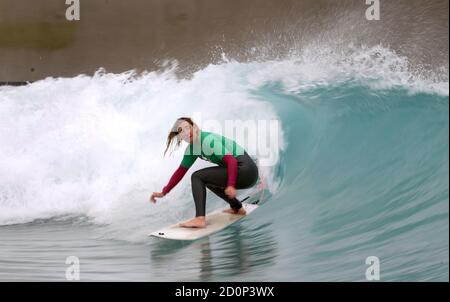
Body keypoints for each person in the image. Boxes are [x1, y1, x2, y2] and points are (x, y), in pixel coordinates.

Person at [150, 117, 259, 228]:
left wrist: (230, 185)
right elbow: (180, 172)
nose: (186, 133)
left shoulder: (207, 140)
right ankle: (237, 208)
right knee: (206, 180)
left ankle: (200, 219)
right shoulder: (192, 149)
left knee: (197, 177)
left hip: (245, 170)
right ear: (180, 137)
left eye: (188, 127)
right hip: (245, 174)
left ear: (195, 126)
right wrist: (164, 192)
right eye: (181, 132)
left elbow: (231, 160)